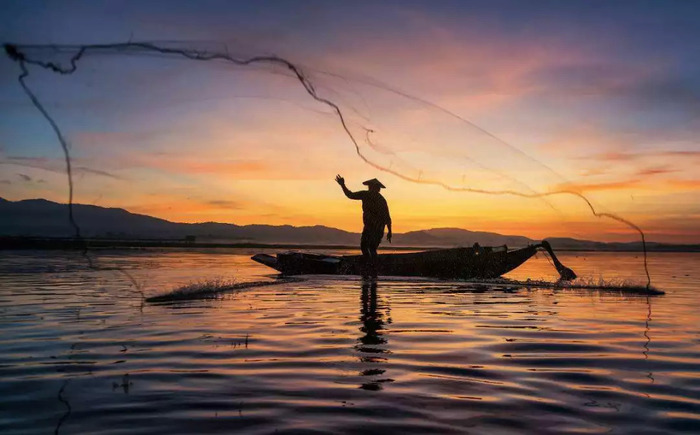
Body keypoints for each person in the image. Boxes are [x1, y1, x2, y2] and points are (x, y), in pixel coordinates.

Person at [335, 174, 392, 277]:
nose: (370, 188)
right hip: (374, 228)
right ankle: (371, 267)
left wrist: (389, 230)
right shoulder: (376, 198)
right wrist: (389, 231)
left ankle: (371, 267)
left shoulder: (372, 197)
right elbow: (387, 217)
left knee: (368, 247)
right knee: (369, 247)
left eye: (371, 186)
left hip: (374, 228)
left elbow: (387, 216)